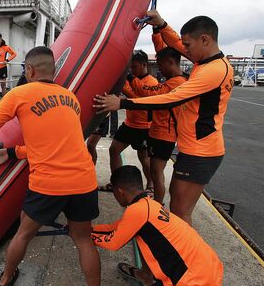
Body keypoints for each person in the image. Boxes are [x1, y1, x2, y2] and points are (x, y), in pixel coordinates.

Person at [0, 46, 106, 286]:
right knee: (83, 240)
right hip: (83, 180)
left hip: (49, 183)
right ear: (53, 70)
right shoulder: (71, 98)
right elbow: (54, 143)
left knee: (24, 232)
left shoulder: (20, 93)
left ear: (30, 70)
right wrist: (13, 152)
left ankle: (5, 280)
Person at [94, 12, 234, 225]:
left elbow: (169, 99)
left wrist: (121, 103)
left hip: (202, 151)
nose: (184, 50)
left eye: (188, 45)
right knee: (176, 202)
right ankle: (176, 249)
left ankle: (181, 255)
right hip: (193, 148)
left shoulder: (213, 71)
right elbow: (175, 43)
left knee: (180, 211)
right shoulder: (206, 61)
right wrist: (160, 25)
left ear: (205, 40)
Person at [91, 166, 223, 286]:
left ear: (119, 191)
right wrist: (91, 228)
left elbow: (112, 242)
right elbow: (116, 227)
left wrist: (87, 237)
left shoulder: (137, 211)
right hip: (210, 285)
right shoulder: (150, 205)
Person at [132, 46, 187, 204]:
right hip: (158, 132)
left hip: (165, 134)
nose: (160, 69)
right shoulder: (173, 81)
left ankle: (157, 205)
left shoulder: (176, 83)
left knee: (156, 172)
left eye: (161, 65)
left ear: (170, 62)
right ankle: (157, 203)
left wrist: (129, 79)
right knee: (155, 172)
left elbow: (150, 92)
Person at [99, 50, 157, 192]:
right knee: (114, 150)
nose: (132, 70)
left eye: (135, 67)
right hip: (129, 124)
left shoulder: (151, 82)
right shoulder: (130, 78)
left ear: (144, 65)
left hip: (144, 127)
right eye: (131, 67)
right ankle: (117, 182)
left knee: (144, 157)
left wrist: (124, 97)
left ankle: (150, 186)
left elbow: (140, 99)